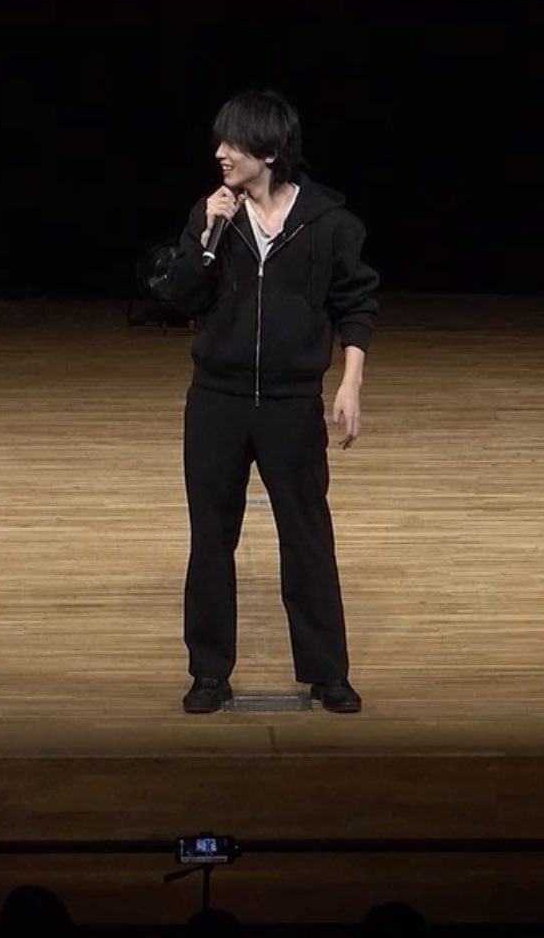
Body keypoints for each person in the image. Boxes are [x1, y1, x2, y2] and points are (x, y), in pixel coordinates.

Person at [152, 89, 378, 714]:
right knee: (210, 538)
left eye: (234, 143)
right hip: (217, 402)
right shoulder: (213, 215)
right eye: (220, 142)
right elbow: (182, 298)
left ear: (271, 151)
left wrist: (350, 383)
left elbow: (356, 304)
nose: (221, 154)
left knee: (307, 538)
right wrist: (206, 235)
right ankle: (208, 672)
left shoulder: (328, 222)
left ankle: (328, 672)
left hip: (291, 404)